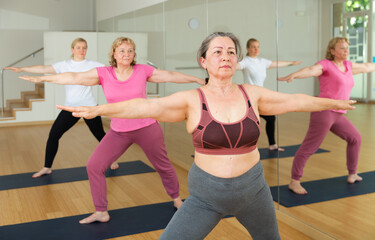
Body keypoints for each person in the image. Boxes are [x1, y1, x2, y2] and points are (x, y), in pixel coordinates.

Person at [56, 32, 356, 239]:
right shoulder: (190, 99)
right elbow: (146, 105)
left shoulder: (252, 94)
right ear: (204, 61)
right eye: (217, 51)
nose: (225, 56)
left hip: (254, 192)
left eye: (230, 52)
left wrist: (333, 103)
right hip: (205, 197)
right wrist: (99, 109)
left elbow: (296, 102)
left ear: (236, 60)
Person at [19, 36, 204, 224]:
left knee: (162, 165)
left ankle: (177, 199)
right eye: (122, 50)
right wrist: (43, 79)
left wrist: (197, 79)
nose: (126, 54)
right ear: (114, 54)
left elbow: (170, 76)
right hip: (118, 131)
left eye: (130, 50)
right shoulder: (104, 73)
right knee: (94, 166)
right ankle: (101, 211)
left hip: (146, 127)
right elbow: (74, 77)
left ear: (134, 55)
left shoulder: (142, 71)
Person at [278, 37, 375, 195]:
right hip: (324, 112)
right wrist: (295, 75)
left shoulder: (348, 66)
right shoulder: (326, 65)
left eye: (347, 48)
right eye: (341, 48)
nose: (346, 51)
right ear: (332, 51)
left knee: (355, 138)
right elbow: (311, 70)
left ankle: (352, 173)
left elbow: (367, 66)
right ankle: (294, 181)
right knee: (310, 147)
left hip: (339, 113)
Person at [5, 37, 120, 178]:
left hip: (89, 107)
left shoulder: (94, 64)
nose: (81, 50)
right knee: (54, 135)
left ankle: (112, 159)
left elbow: (113, 71)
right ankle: (47, 167)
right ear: (72, 49)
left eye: (84, 48)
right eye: (78, 47)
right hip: (70, 108)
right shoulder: (64, 65)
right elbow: (44, 68)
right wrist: (22, 68)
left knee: (100, 135)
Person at [237, 38, 301, 151]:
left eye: (258, 46)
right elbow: (235, 66)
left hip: (261, 98)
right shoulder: (245, 61)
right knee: (250, 123)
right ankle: (242, 147)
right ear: (247, 48)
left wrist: (291, 63)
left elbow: (276, 63)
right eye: (253, 47)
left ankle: (272, 145)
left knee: (271, 118)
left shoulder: (262, 61)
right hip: (249, 99)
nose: (256, 49)